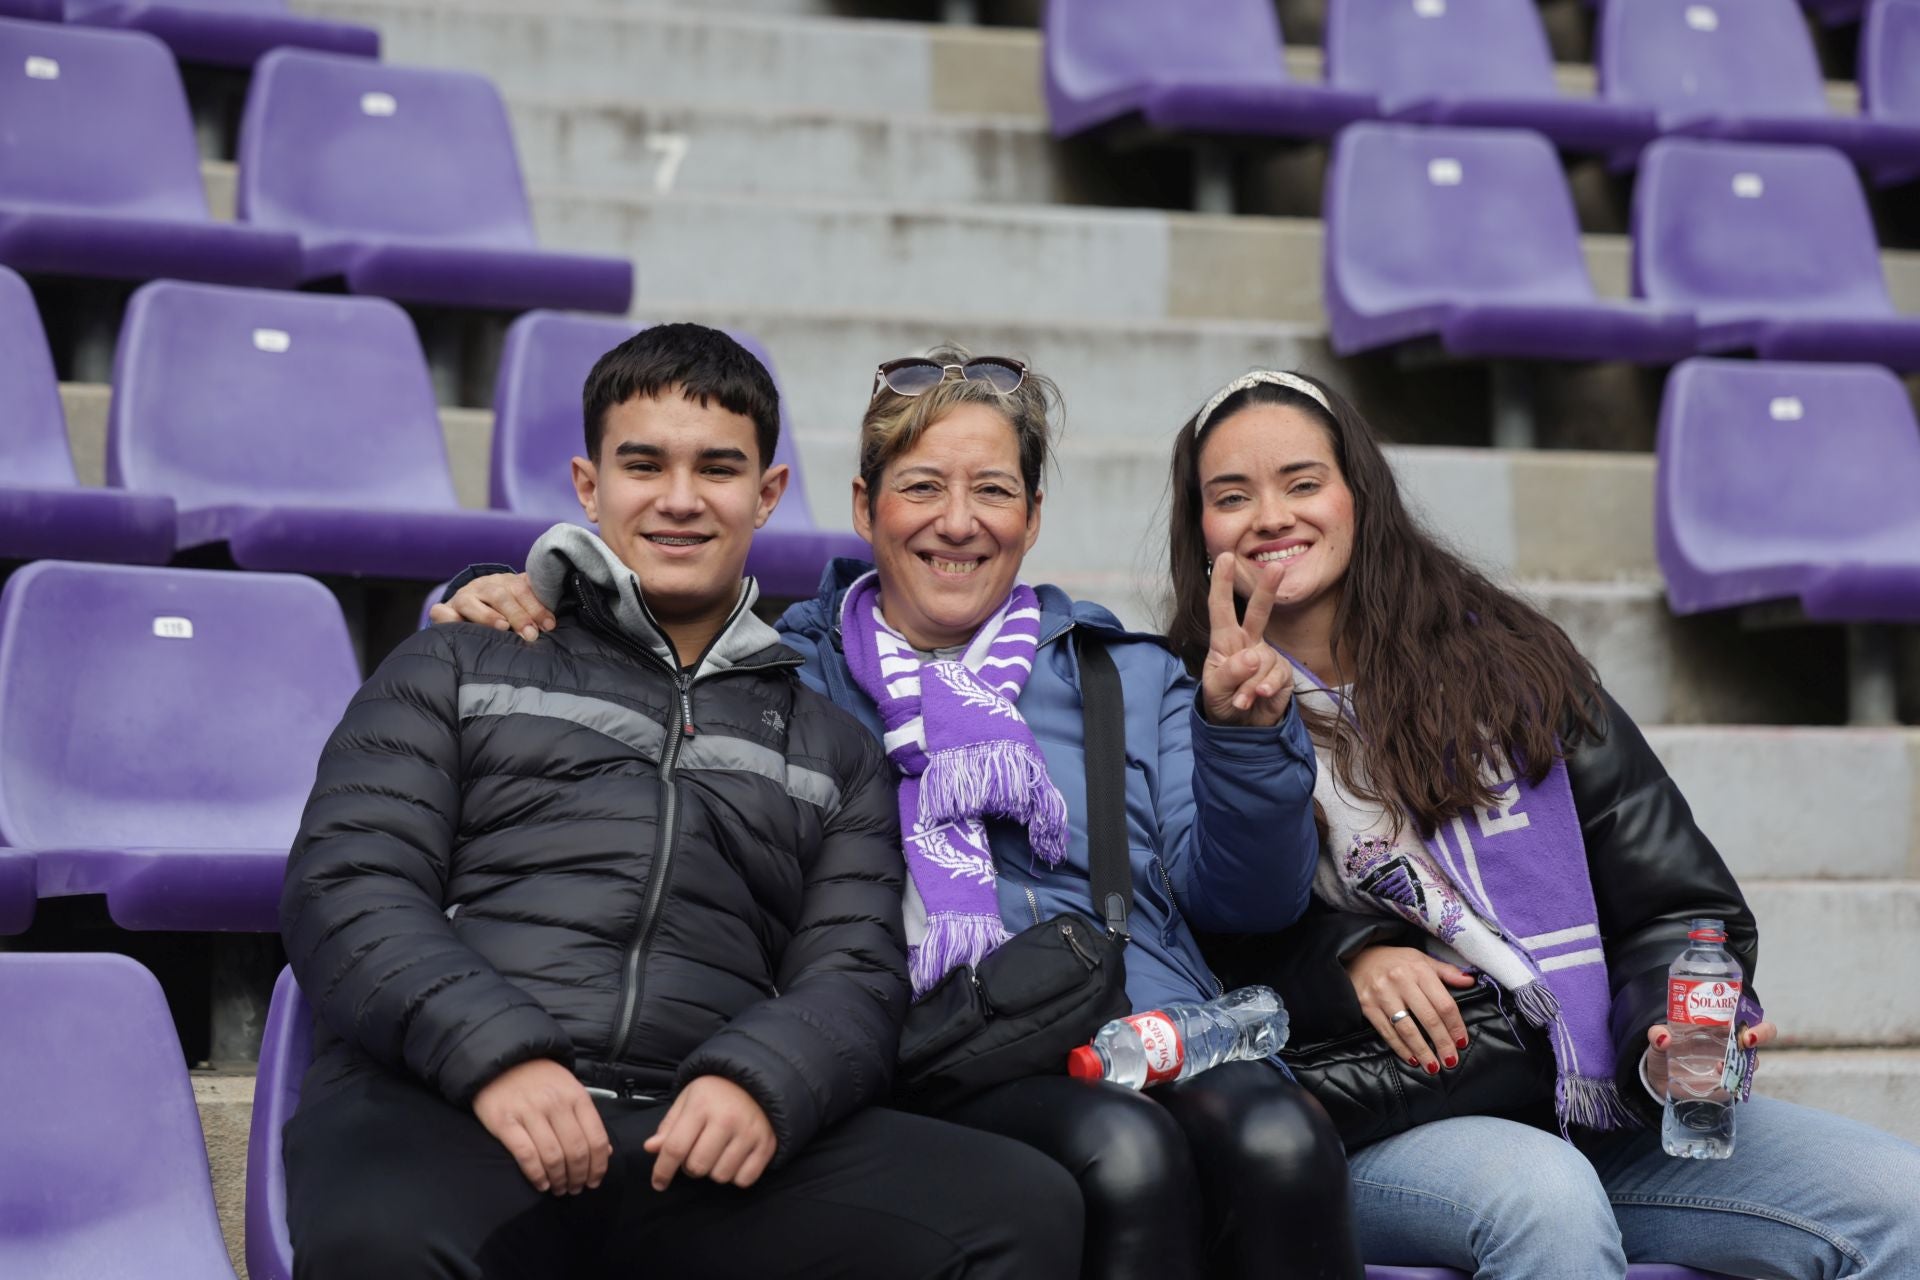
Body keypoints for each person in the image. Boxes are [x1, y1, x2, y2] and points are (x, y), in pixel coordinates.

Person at [435, 347, 1364, 1280]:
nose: (957, 523)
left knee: (1278, 1138)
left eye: (994, 491)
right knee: (1122, 1153)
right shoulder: (782, 668)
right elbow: (640, 646)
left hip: (1137, 1021)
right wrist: (488, 590)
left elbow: (1250, 905)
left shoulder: (1125, 674)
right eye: (922, 487)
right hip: (919, 1043)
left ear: (1033, 518)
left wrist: (1244, 740)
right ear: (863, 507)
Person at [281, 323, 1083, 1280]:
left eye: (717, 468)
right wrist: (496, 1056)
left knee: (1020, 1210)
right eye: (643, 464)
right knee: (384, 1243)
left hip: (692, 1139)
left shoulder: (830, 742)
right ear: (589, 484)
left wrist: (760, 1083)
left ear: (768, 494)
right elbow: (349, 886)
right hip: (448, 1109)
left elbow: (856, 976)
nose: (678, 499)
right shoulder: (456, 659)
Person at [1164, 368, 1920, 1279]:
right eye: (1231, 496)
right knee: (1544, 1199)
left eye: (1302, 482)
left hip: (1595, 1101)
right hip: (1379, 1116)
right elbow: (1199, 941)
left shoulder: (1511, 669)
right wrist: (1347, 956)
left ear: (1358, 495)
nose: (1271, 516)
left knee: (1899, 1202)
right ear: (1199, 528)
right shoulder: (1178, 704)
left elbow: (1674, 905)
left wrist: (1661, 1038)